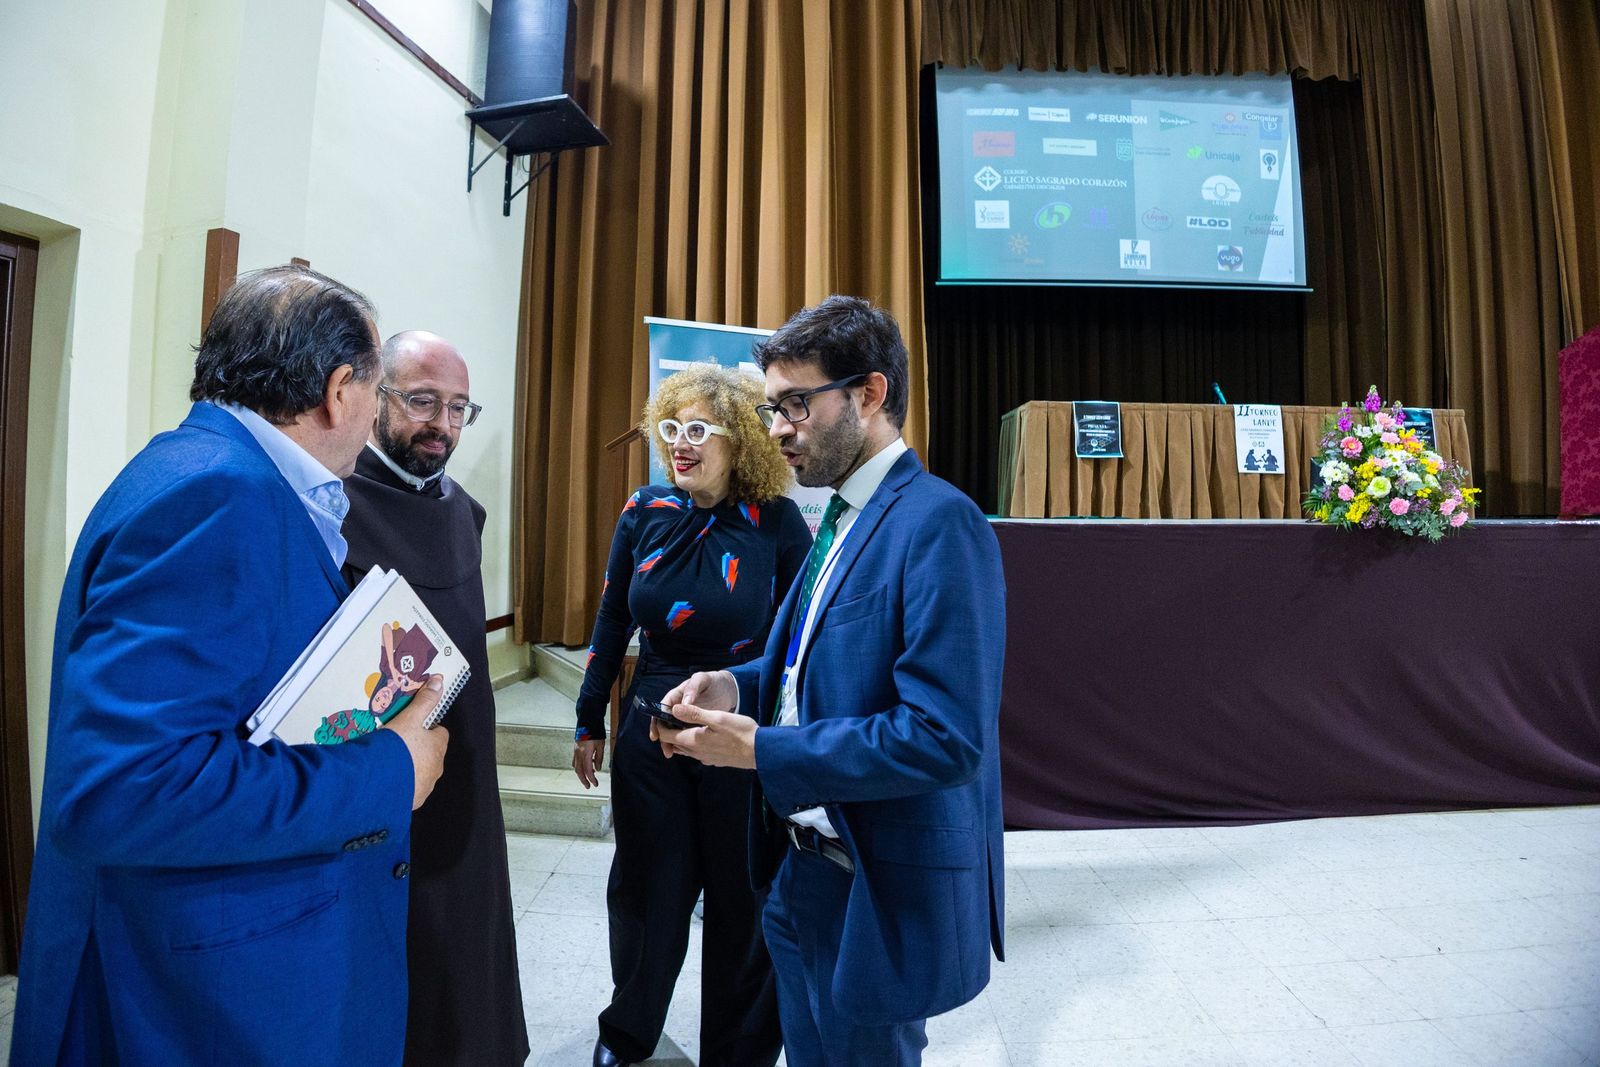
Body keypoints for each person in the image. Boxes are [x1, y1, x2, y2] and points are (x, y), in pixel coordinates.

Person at [10, 265, 449, 1065]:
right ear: (339, 390)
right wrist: (390, 768)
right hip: (206, 997)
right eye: (377, 391)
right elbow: (123, 790)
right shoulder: (219, 496)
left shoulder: (203, 468)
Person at [657, 296, 1007, 1066]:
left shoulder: (939, 522)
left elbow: (944, 737)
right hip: (800, 872)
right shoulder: (842, 515)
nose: (778, 427)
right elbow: (811, 666)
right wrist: (734, 685)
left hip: (875, 887)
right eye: (771, 407)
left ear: (868, 393)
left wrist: (763, 750)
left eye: (795, 404)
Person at [574, 363, 811, 1067]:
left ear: (740, 440)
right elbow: (611, 620)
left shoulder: (778, 522)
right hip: (652, 727)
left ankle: (735, 1054)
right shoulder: (643, 510)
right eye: (673, 427)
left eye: (700, 430)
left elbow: (798, 643)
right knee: (647, 890)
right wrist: (589, 720)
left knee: (741, 901)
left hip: (739, 734)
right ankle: (627, 1031)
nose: (681, 443)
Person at [339, 331, 528, 1066]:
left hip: (466, 766)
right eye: (422, 401)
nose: (442, 425)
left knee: (467, 946)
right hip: (377, 768)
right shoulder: (333, 505)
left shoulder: (461, 510)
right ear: (375, 396)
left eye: (458, 408)